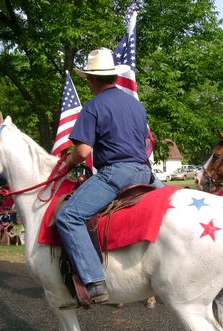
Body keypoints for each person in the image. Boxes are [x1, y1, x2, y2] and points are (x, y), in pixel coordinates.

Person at [56, 48, 152, 309]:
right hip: (146, 172)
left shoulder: (93, 106)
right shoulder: (135, 104)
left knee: (68, 217)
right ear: (113, 77)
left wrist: (67, 163)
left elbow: (84, 151)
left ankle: (95, 282)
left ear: (90, 79)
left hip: (116, 174)